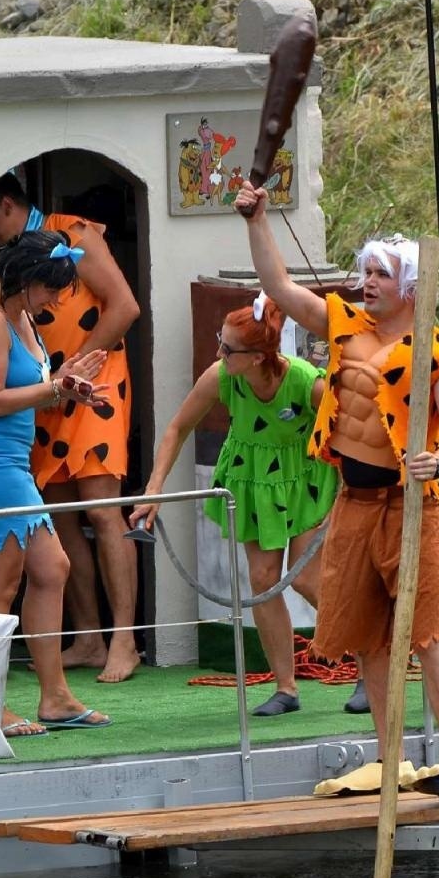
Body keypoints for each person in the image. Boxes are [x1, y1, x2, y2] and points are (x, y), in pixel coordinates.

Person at [235, 183, 439, 796]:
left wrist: (436, 460)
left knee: (429, 632)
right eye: (364, 270)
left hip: (414, 504)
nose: (367, 281)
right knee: (369, 634)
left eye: (381, 273)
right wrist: (258, 220)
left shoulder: (437, 351)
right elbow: (281, 288)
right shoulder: (343, 324)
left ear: (410, 288)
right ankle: (390, 755)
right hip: (354, 501)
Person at [0, 229, 114, 735]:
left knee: (52, 569)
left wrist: (67, 387)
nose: (57, 299)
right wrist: (53, 388)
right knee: (0, 582)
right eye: (51, 288)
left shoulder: (21, 317)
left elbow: (35, 390)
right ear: (26, 279)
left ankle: (55, 696)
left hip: (9, 464)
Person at [131, 296, 338, 716]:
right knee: (262, 579)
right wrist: (154, 490)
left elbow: (347, 425)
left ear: (260, 356)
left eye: (228, 348)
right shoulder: (222, 376)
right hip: (252, 478)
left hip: (304, 477)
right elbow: (177, 428)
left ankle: (373, 663)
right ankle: (286, 687)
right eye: (219, 342)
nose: (219, 353)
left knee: (305, 580)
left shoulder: (304, 381)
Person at [0, 174, 143, 683]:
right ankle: (89, 637)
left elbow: (125, 306)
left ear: (6, 206)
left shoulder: (71, 232)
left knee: (99, 506)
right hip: (52, 390)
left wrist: (79, 364)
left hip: (96, 382)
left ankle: (125, 640)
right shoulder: (14, 255)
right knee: (62, 516)